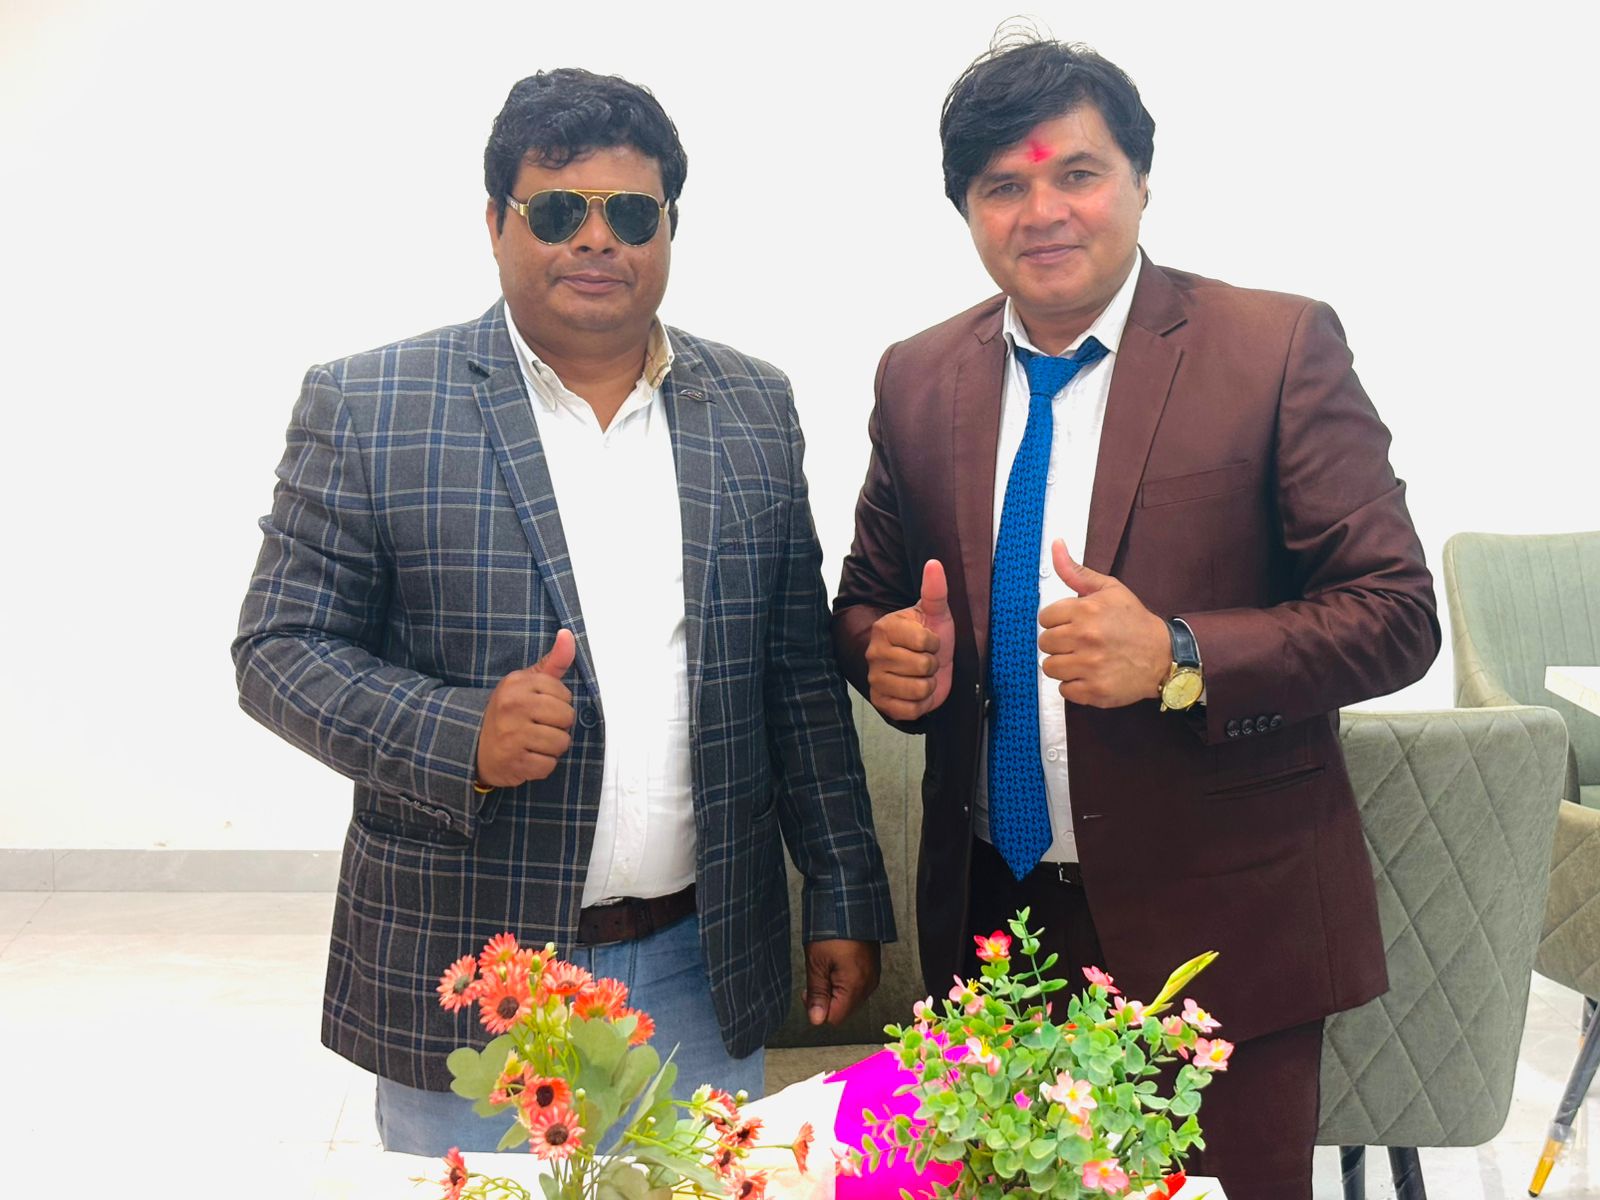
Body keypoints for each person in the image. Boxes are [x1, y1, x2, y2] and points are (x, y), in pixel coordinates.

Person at [234, 67, 894, 1156]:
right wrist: (460, 735)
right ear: (496, 223)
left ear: (669, 228)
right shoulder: (370, 403)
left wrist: (841, 890)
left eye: (631, 212)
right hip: (477, 973)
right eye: (556, 211)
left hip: (699, 965)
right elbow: (277, 649)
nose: (596, 238)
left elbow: (794, 678)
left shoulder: (752, 406)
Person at [831, 35, 1438, 1200]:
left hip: (1218, 937)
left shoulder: (1271, 348)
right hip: (992, 930)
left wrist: (1179, 655)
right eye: (1002, 186)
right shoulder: (917, 376)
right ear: (964, 208)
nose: (1042, 212)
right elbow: (865, 600)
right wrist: (883, 654)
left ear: (1141, 181)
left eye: (1078, 173)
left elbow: (1396, 614)